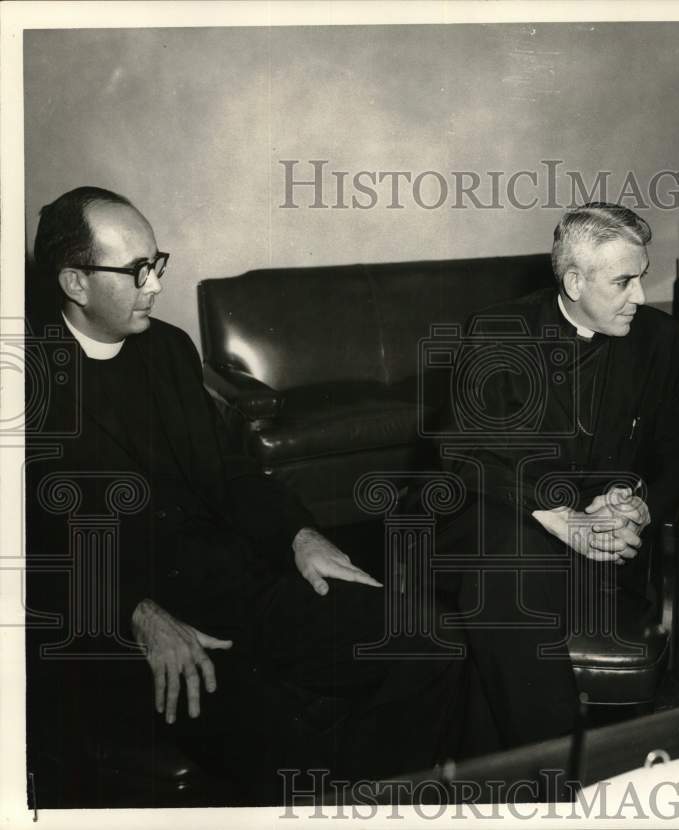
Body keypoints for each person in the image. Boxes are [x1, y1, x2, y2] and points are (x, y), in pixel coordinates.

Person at [25, 187, 468, 806]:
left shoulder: (171, 348)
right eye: (136, 271)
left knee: (428, 642)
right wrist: (137, 613)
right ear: (74, 282)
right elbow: (28, 552)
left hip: (235, 582)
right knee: (284, 752)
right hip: (122, 627)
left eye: (158, 262)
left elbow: (229, 473)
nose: (155, 284)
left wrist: (299, 534)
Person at [433, 202, 679, 750]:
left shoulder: (659, 337)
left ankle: (500, 785)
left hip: (607, 548)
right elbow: (464, 450)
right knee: (506, 573)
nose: (641, 297)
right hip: (512, 523)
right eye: (624, 282)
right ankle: (555, 785)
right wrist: (559, 517)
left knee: (504, 614)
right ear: (574, 281)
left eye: (641, 278)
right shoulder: (499, 332)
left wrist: (639, 502)